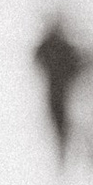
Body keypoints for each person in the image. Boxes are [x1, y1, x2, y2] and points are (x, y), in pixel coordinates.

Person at [31, 12, 85, 165]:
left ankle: (63, 153)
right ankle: (63, 152)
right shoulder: (59, 45)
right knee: (60, 122)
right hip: (61, 91)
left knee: (60, 122)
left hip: (61, 92)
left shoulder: (54, 45)